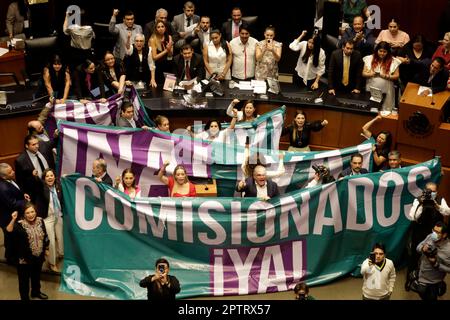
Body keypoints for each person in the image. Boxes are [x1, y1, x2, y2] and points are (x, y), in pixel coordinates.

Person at [407, 182, 450, 291]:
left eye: (434, 191)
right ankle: (410, 281)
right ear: (424, 191)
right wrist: (421, 204)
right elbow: (413, 217)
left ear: (437, 192)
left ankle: (434, 282)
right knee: (414, 256)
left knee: (434, 256)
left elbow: (447, 212)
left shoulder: (440, 200)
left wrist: (437, 206)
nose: (432, 193)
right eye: (429, 191)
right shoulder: (418, 200)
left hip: (435, 234)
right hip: (419, 233)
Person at [6, 202, 49, 300]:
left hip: (38, 256)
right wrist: (13, 219)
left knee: (36, 276)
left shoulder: (40, 220)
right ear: (24, 214)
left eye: (32, 212)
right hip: (24, 259)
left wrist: (46, 248)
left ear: (36, 211)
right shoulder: (19, 225)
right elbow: (8, 232)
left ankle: (36, 292)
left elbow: (45, 235)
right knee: (24, 281)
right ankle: (25, 298)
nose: (31, 215)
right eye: (27, 213)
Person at [412, 221, 450, 300]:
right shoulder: (430, 236)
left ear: (444, 235)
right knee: (421, 292)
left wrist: (436, 264)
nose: (434, 234)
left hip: (434, 282)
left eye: (437, 232)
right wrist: (422, 248)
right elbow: (418, 248)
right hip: (421, 274)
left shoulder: (448, 250)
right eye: (433, 230)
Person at [0, 163, 30, 265]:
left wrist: (23, 195)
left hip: (13, 215)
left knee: (14, 238)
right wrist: (25, 202)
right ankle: (11, 259)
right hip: (7, 218)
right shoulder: (3, 188)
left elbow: (15, 191)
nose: (13, 172)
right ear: (3, 176)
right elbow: (12, 203)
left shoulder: (10, 179)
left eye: (12, 170)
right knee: (10, 239)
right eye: (10, 172)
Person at [34, 168, 63, 273]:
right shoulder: (42, 187)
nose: (50, 178)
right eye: (47, 176)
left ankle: (61, 254)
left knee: (60, 237)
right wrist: (35, 176)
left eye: (52, 175)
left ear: (55, 177)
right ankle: (52, 263)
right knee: (51, 241)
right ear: (44, 179)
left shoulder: (58, 186)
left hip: (58, 215)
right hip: (48, 218)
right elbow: (37, 183)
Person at [362, 41, 401, 111]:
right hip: (371, 90)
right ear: (377, 50)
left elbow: (397, 76)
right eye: (380, 51)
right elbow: (363, 73)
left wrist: (386, 76)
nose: (382, 53)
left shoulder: (394, 61)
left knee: (385, 111)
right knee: (371, 109)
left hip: (387, 91)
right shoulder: (369, 58)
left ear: (388, 52)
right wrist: (371, 74)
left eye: (384, 52)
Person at [15, 134, 54, 201]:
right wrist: (32, 176)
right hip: (37, 192)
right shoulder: (20, 160)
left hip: (52, 185)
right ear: (27, 146)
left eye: (37, 143)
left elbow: (53, 144)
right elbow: (20, 180)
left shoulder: (43, 148)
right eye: (33, 145)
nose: (37, 146)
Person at [149, 20, 174, 85]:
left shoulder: (169, 37)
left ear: (165, 28)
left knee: (169, 87)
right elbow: (154, 57)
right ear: (156, 29)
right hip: (157, 66)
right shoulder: (153, 39)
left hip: (167, 64)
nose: (161, 28)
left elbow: (170, 55)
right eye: (158, 27)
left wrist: (169, 50)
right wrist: (166, 50)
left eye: (162, 26)